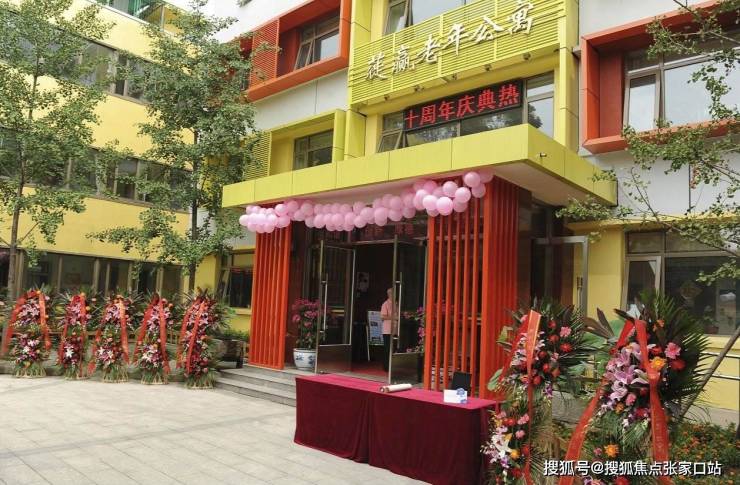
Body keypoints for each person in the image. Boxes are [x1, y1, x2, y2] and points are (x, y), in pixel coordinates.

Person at [380, 288, 396, 372]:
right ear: (389, 294)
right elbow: (382, 316)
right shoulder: (385, 304)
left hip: (395, 330)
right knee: (387, 349)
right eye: (392, 293)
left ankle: (393, 366)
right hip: (387, 330)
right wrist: (394, 317)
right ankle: (386, 367)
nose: (394, 295)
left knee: (394, 349)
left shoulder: (397, 303)